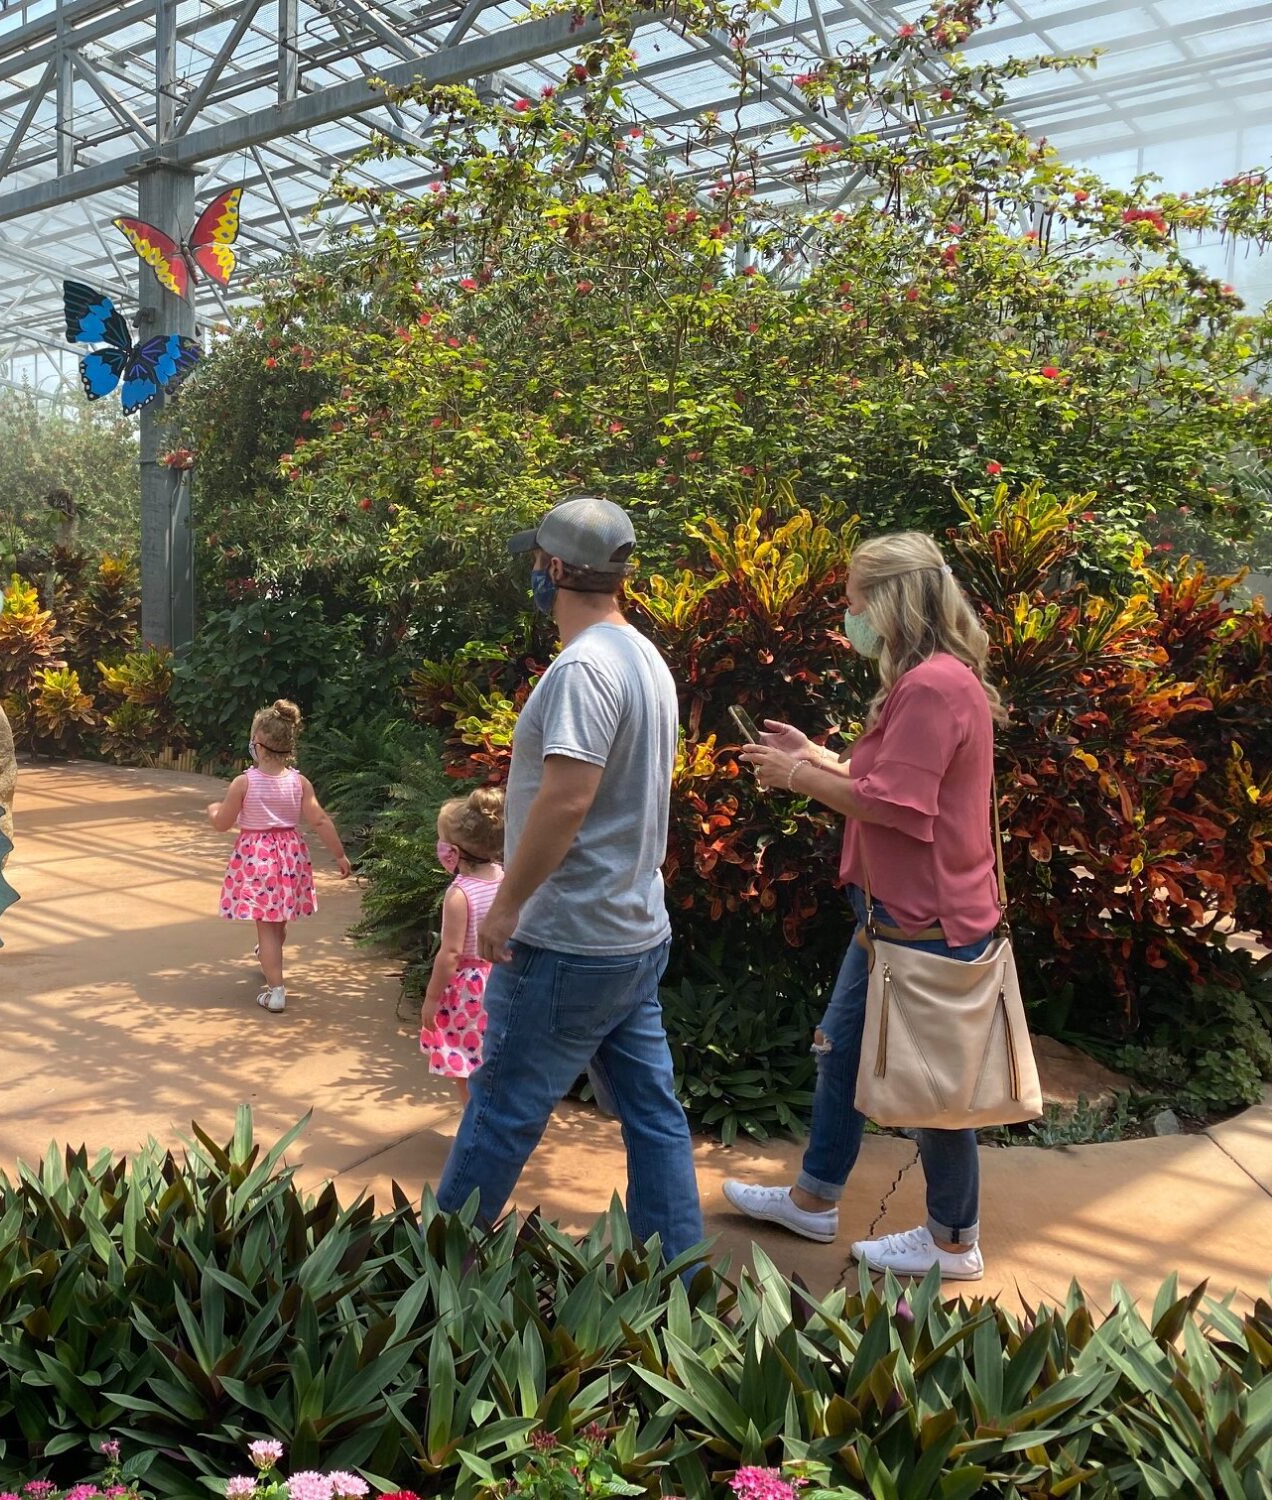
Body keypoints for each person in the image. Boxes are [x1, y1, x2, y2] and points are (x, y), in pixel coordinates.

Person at [723, 531, 1006, 1281]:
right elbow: (886, 780)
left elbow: (900, 806)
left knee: (935, 1093)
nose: (847, 612)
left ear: (890, 601)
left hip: (924, 924)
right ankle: (814, 1200)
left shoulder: (933, 687)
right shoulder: (929, 681)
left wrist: (795, 778)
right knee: (840, 1056)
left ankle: (954, 1241)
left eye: (853, 598)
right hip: (890, 921)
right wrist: (814, 755)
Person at [435, 495, 704, 1266]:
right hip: (631, 934)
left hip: (569, 940)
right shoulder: (641, 655)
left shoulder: (585, 667)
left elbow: (569, 796)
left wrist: (507, 905)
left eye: (536, 564)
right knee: (653, 1114)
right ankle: (677, 1278)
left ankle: (434, 1275)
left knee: (501, 1110)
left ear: (552, 571)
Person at [208, 700, 352, 1014]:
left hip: (258, 858)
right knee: (279, 921)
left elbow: (222, 823)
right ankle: (268, 955)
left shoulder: (244, 783)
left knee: (266, 926)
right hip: (291, 858)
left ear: (256, 744)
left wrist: (213, 810)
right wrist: (340, 855)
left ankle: (276, 990)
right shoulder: (299, 782)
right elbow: (320, 820)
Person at [420, 788, 507, 1103]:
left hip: (469, 990)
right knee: (495, 1059)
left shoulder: (460, 895)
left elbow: (451, 954)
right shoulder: (504, 879)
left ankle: (475, 1128)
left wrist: (432, 998)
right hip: (502, 977)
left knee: (466, 1064)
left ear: (453, 851)